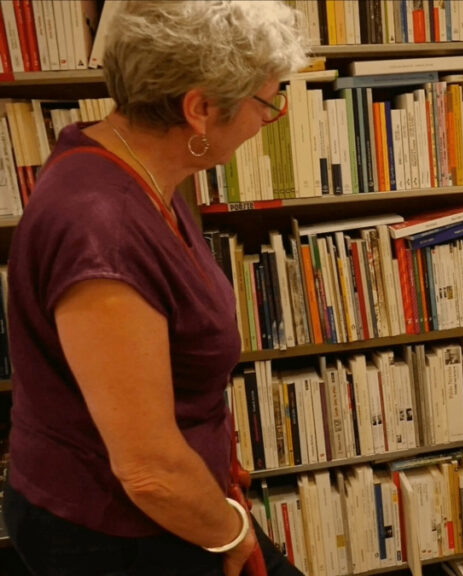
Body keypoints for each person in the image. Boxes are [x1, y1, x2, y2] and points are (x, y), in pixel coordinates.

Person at [2, 3, 307, 575]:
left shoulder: (130, 167)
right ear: (200, 108)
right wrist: (233, 534)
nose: (270, 119)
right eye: (268, 102)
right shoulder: (105, 227)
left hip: (172, 500)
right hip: (116, 529)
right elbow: (148, 469)